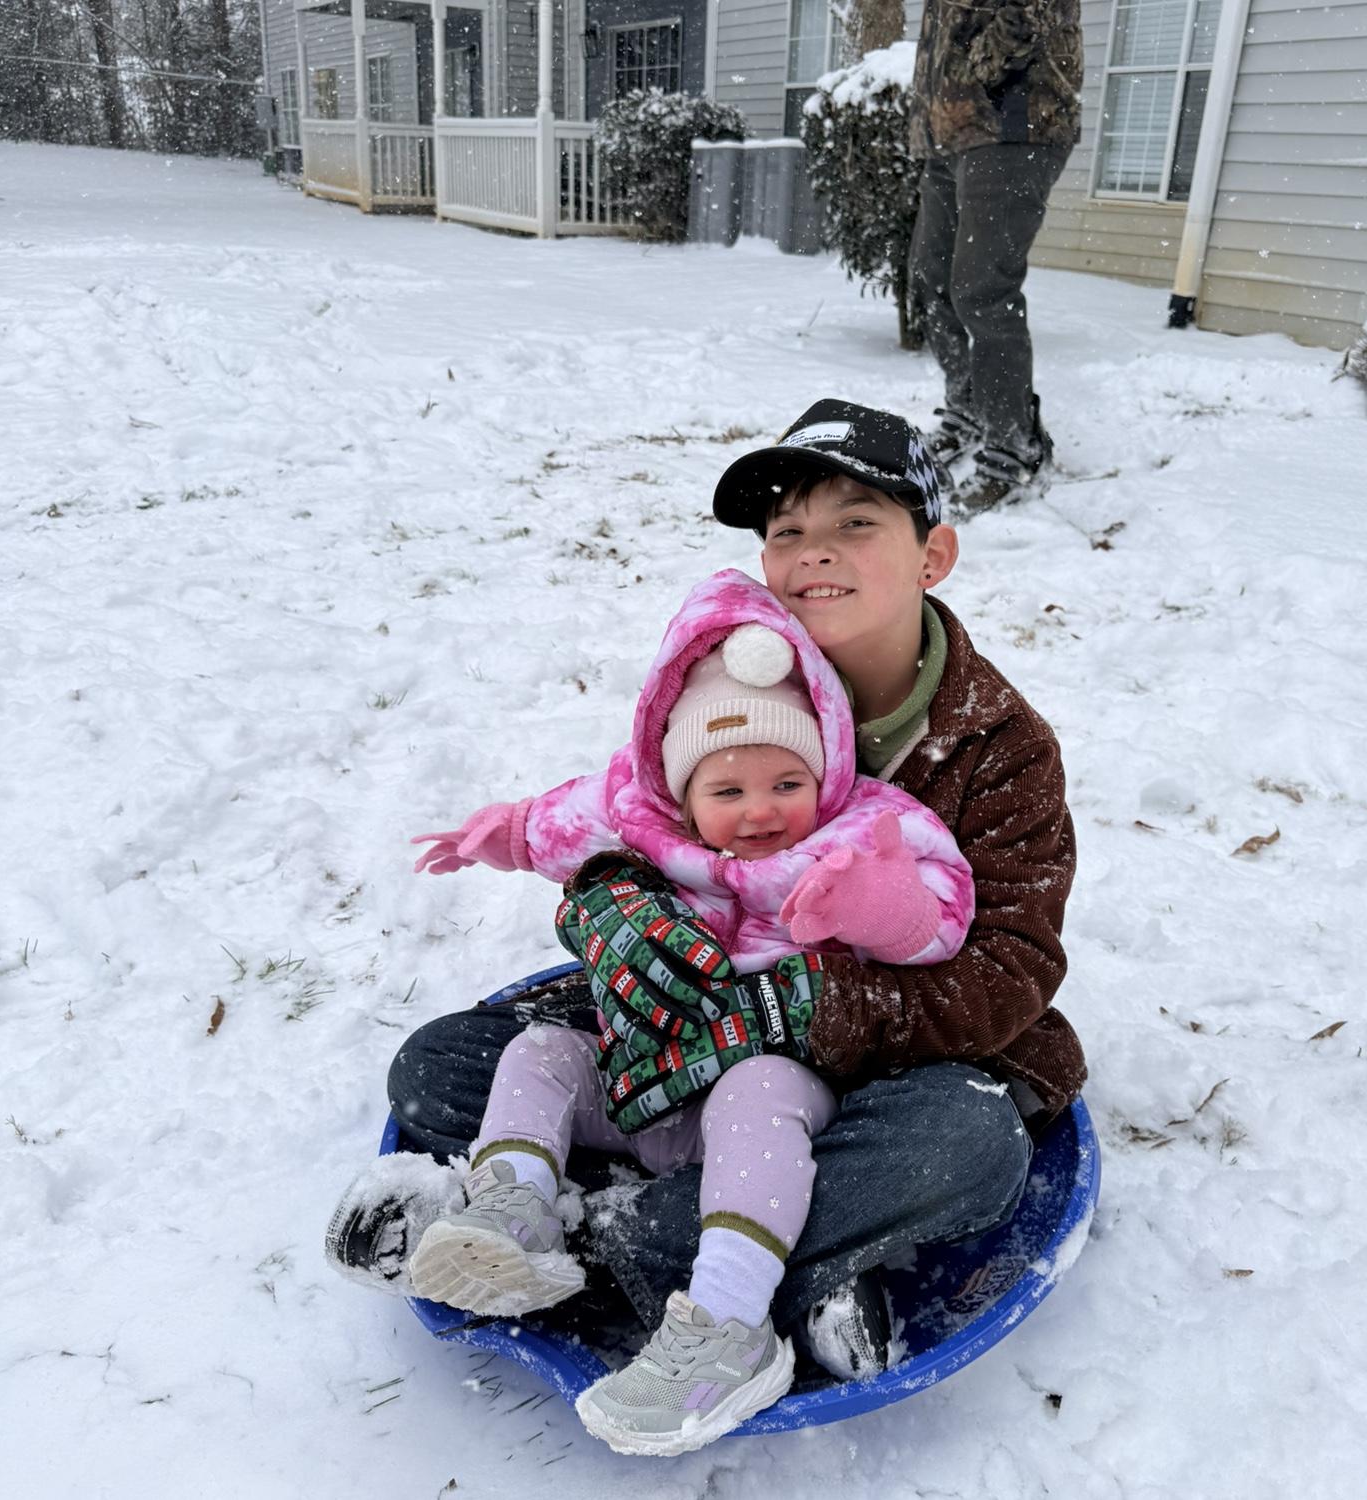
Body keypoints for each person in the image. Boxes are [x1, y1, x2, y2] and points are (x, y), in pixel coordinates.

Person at [326, 398, 1084, 1439]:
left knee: (969, 1146)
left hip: (874, 1068)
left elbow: (1006, 973)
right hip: (678, 1039)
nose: (814, 553)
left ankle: (625, 1241)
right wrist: (615, 912)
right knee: (443, 1065)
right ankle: (656, 1238)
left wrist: (790, 1006)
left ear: (933, 554)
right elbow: (626, 822)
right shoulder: (726, 675)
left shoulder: (996, 745)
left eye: (856, 522)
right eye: (786, 533)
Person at [381, 574, 974, 1453]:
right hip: (646, 1076)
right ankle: (516, 1211)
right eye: (728, 792)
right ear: (679, 788)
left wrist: (877, 905)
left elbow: (941, 914)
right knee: (541, 1051)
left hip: (780, 1085)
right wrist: (503, 835)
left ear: (827, 767)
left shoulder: (857, 832)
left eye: (787, 781)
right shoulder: (641, 813)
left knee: (757, 1088)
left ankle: (731, 1324)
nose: (762, 811)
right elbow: (563, 821)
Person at [907, 0, 1084, 509]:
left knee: (983, 292)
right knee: (929, 278)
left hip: (1013, 123)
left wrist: (971, 75)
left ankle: (1012, 447)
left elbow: (1027, 15)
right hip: (950, 134)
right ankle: (967, 410)